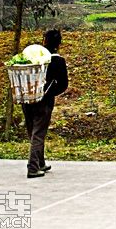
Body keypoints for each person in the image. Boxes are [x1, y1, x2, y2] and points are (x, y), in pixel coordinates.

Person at [22, 29, 69, 178]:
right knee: (39, 133)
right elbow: (63, 85)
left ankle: (40, 162)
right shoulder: (58, 61)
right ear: (59, 44)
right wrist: (50, 93)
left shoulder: (33, 58)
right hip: (44, 102)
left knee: (33, 132)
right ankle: (33, 168)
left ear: (44, 42)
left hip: (26, 99)